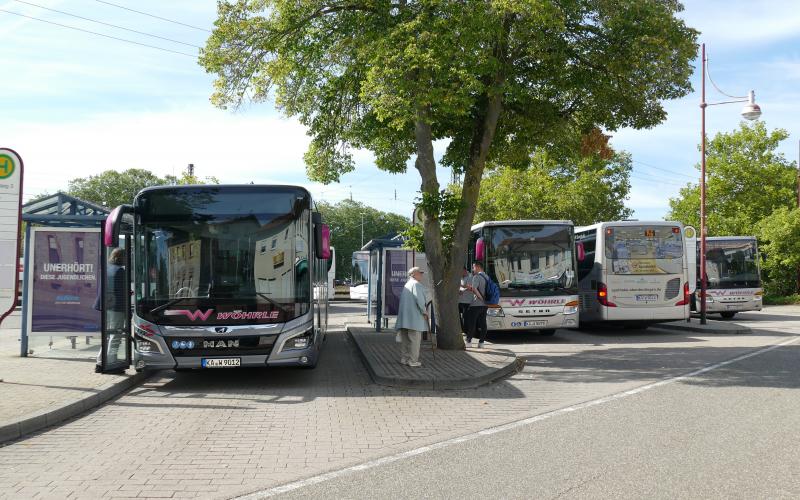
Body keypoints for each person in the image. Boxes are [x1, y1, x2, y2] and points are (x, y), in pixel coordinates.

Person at [95, 248, 126, 372]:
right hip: (116, 307)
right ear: (120, 258)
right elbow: (120, 292)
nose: (127, 260)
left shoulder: (107, 268)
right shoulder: (120, 271)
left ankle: (100, 362)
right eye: (125, 257)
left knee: (107, 335)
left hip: (105, 306)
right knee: (116, 335)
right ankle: (112, 364)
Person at [394, 267, 429, 367]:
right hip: (414, 319)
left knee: (405, 340)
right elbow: (420, 301)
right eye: (420, 273)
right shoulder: (416, 285)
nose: (421, 275)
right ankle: (413, 361)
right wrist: (425, 312)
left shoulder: (407, 284)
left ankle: (404, 359)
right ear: (413, 274)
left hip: (404, 319)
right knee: (414, 340)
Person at [464, 262, 489, 348]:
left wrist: (480, 298)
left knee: (472, 323)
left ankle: (468, 341)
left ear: (478, 267)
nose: (472, 269)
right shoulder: (487, 277)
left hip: (476, 304)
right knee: (483, 323)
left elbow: (475, 289)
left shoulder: (477, 277)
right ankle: (481, 342)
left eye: (473, 267)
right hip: (485, 305)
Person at [458, 266, 472, 334]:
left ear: (464, 270)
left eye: (460, 271)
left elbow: (470, 287)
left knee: (465, 317)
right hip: (460, 300)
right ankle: (461, 329)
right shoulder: (460, 277)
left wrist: (462, 288)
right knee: (457, 315)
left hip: (467, 301)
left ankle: (466, 331)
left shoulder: (470, 277)